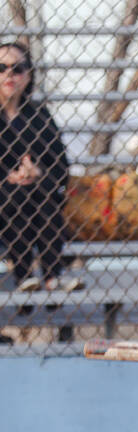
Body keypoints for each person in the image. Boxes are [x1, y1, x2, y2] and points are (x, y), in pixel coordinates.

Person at [0, 42, 76, 293]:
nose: (9, 75)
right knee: (19, 194)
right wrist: (9, 176)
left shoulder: (39, 116)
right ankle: (30, 276)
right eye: (1, 68)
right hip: (4, 201)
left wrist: (38, 172)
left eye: (17, 68)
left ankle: (48, 277)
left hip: (39, 200)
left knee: (41, 194)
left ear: (28, 75)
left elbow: (61, 166)